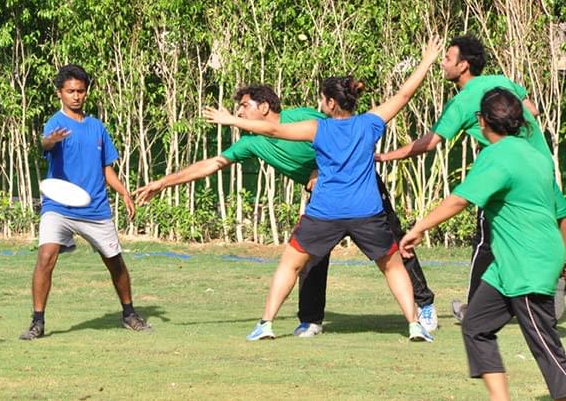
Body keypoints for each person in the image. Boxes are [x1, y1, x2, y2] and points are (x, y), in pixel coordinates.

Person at [133, 85, 438, 336]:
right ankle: (311, 320)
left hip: (362, 188)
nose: (239, 111)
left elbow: (340, 135)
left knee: (397, 249)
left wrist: (319, 171)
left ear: (264, 107)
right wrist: (162, 183)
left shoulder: (303, 117)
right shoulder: (252, 143)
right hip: (325, 202)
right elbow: (211, 165)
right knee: (310, 258)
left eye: (244, 105)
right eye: (238, 109)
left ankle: (423, 306)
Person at [204, 37, 442, 341]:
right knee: (393, 268)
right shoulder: (370, 123)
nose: (320, 105)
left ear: (330, 103)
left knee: (290, 265)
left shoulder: (319, 128)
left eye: (322, 100)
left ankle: (265, 324)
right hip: (367, 211)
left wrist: (230, 120)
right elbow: (404, 94)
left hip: (325, 212)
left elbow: (274, 129)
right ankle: (413, 325)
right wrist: (426, 61)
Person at [377, 34, 566, 321]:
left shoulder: (464, 102)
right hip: (539, 165)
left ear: (463, 66)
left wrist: (390, 156)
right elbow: (533, 110)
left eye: (448, 59)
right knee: (553, 220)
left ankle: (476, 307)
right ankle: (550, 286)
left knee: (485, 240)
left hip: (509, 172)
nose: (443, 64)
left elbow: (430, 142)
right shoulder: (502, 81)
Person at [400, 88, 566, 401]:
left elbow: (460, 199)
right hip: (511, 264)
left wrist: (419, 228)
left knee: (545, 347)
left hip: (527, 263)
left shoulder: (497, 156)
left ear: (483, 121)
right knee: (475, 325)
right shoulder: (535, 155)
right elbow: (561, 211)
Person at [20, 64, 150, 340]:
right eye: (70, 91)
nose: (76, 96)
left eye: (80, 91)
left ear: (86, 93)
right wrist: (50, 141)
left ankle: (129, 313)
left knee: (115, 262)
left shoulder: (97, 127)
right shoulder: (55, 124)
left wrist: (124, 192)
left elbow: (107, 169)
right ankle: (37, 321)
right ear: (60, 94)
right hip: (58, 207)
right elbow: (45, 144)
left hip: (95, 208)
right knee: (46, 256)